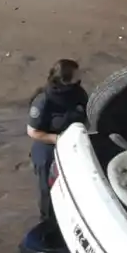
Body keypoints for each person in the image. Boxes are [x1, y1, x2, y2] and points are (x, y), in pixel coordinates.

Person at [27, 59, 88, 221]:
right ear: (64, 79)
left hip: (74, 143)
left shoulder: (78, 92)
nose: (81, 76)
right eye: (76, 74)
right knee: (48, 189)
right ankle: (47, 221)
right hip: (49, 146)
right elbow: (32, 131)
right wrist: (57, 139)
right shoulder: (44, 100)